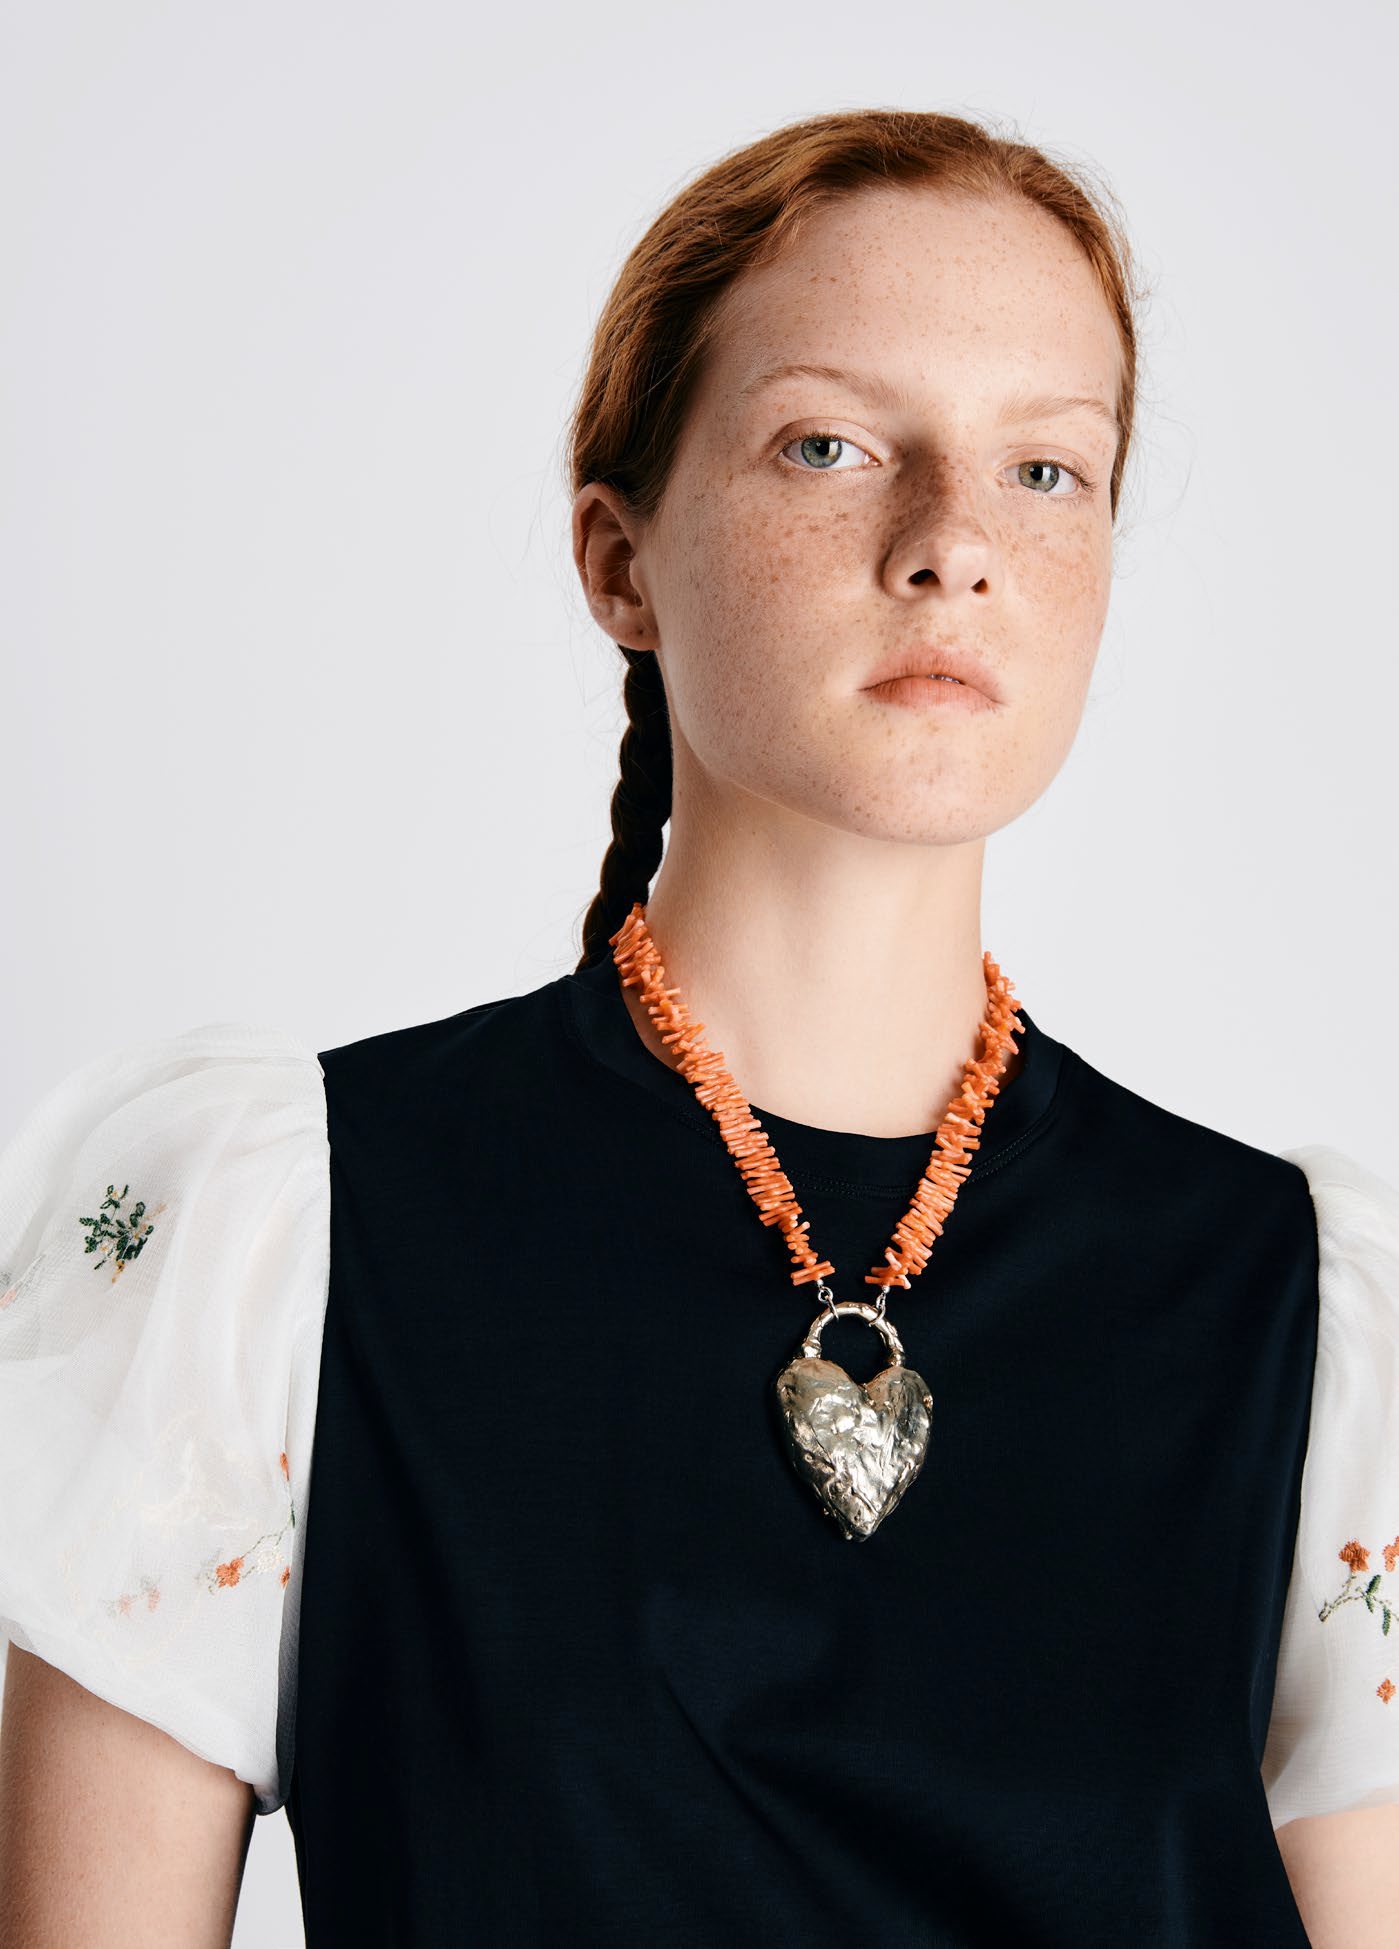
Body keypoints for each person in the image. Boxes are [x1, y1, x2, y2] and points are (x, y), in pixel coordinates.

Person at [1, 106, 1396, 1947]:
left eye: (1045, 469)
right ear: (619, 562)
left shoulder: (1294, 1303)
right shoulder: (286, 1232)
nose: (952, 543)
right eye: (830, 445)